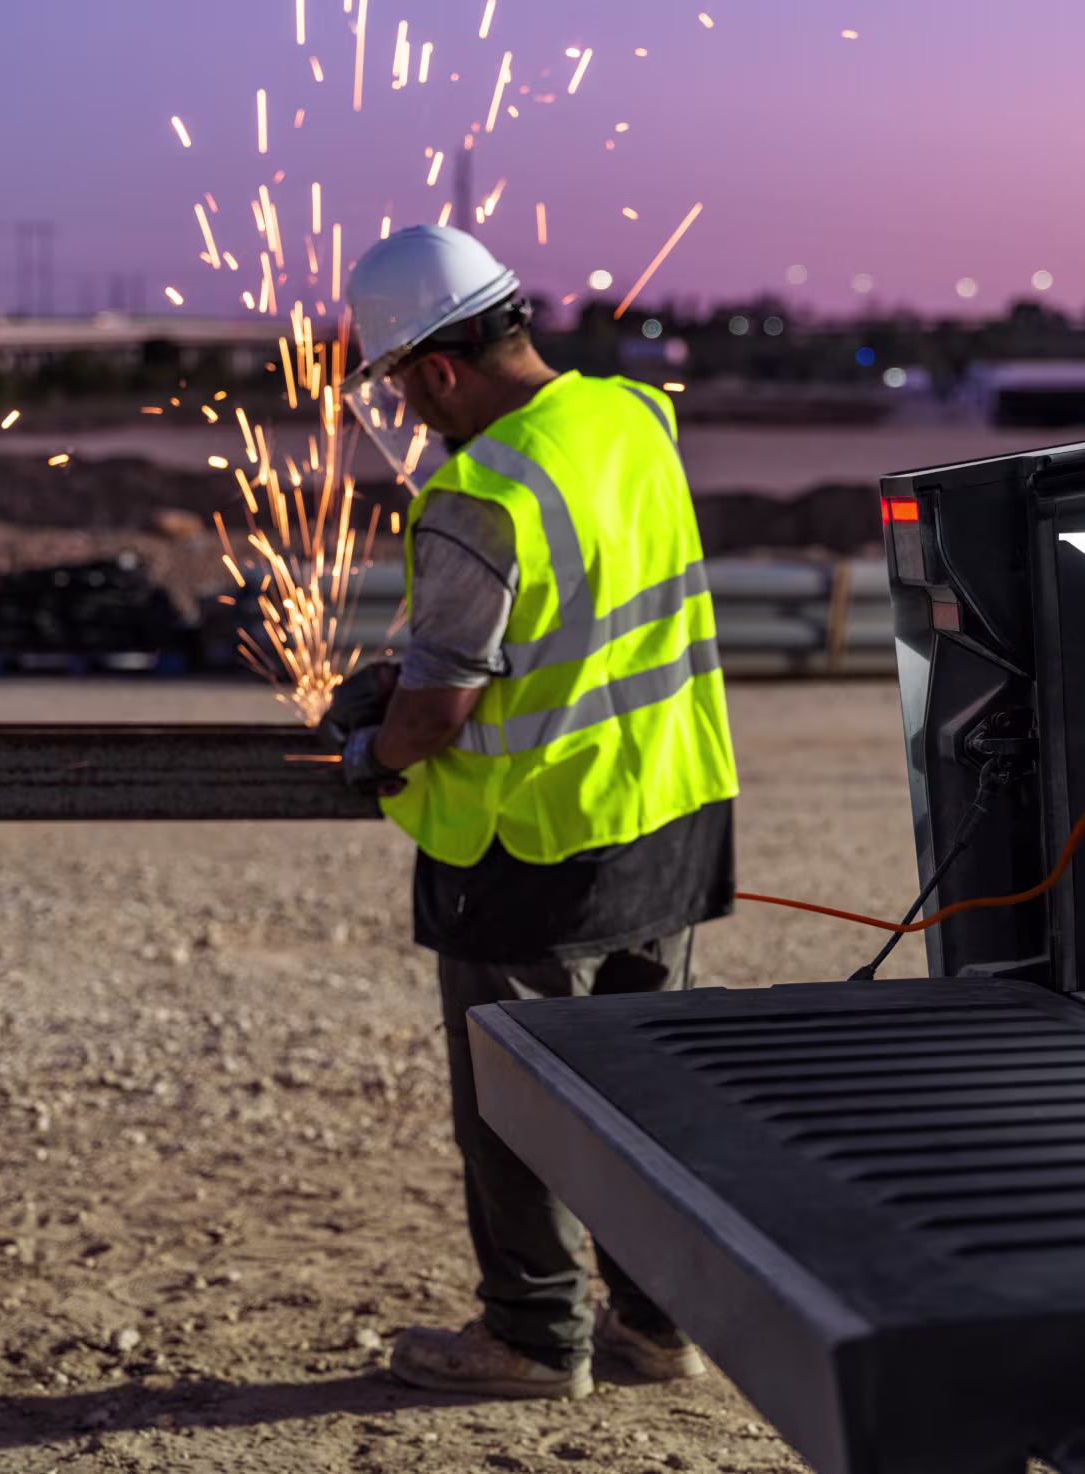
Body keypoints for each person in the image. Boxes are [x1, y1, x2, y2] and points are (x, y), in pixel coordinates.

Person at [334, 225, 739, 1401]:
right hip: (668, 809)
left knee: (517, 1108)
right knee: (643, 1094)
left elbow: (434, 719)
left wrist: (369, 741)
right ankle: (659, 1331)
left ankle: (530, 1338)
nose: (408, 413)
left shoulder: (478, 493)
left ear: (439, 368)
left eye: (401, 387)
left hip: (530, 851)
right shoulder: (632, 417)